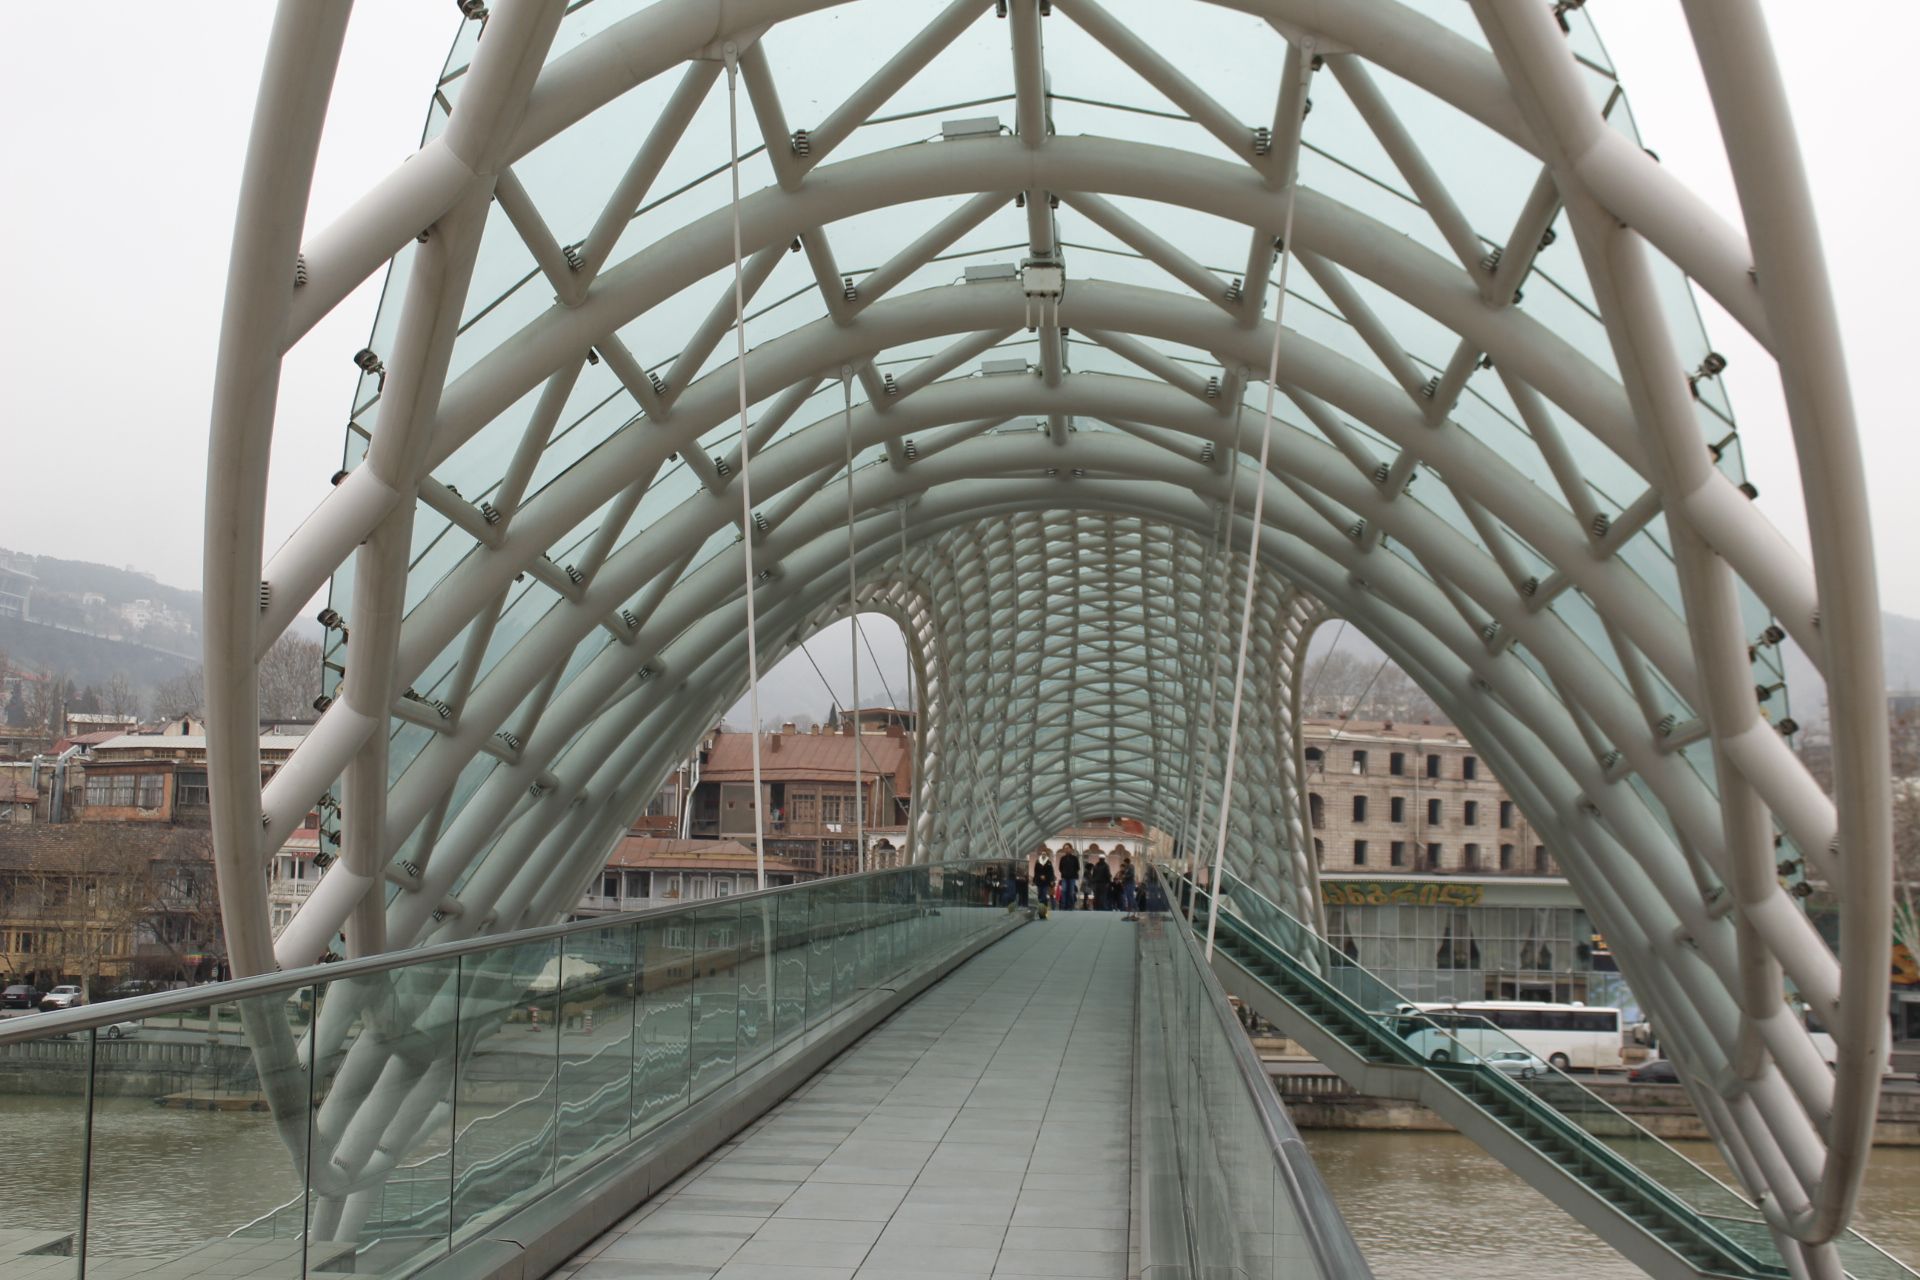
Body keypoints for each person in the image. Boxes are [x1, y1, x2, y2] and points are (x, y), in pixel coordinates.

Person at [1032, 852, 1055, 919]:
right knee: (1039, 894)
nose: (1043, 855)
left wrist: (1051, 880)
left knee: (1044, 894)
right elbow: (1036, 872)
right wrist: (1038, 878)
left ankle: (1044, 908)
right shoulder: (1038, 862)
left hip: (1046, 881)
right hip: (1039, 881)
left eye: (1045, 854)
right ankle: (1040, 908)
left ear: (1046, 855)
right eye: (1042, 854)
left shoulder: (1048, 862)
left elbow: (1051, 872)